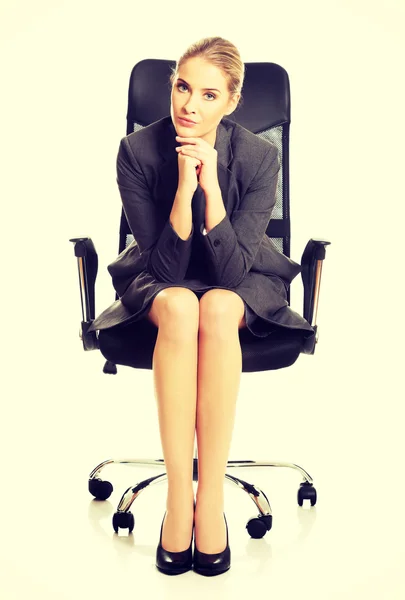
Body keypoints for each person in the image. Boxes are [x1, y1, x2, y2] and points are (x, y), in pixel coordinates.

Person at [88, 36, 315, 576]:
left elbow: (234, 274)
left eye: (209, 95)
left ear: (232, 103)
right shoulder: (137, 151)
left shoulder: (261, 157)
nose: (190, 105)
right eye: (183, 87)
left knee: (215, 307)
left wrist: (211, 187)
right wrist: (182, 189)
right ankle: (178, 504)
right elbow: (163, 270)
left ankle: (208, 503)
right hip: (158, 276)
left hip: (244, 273)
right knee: (184, 306)